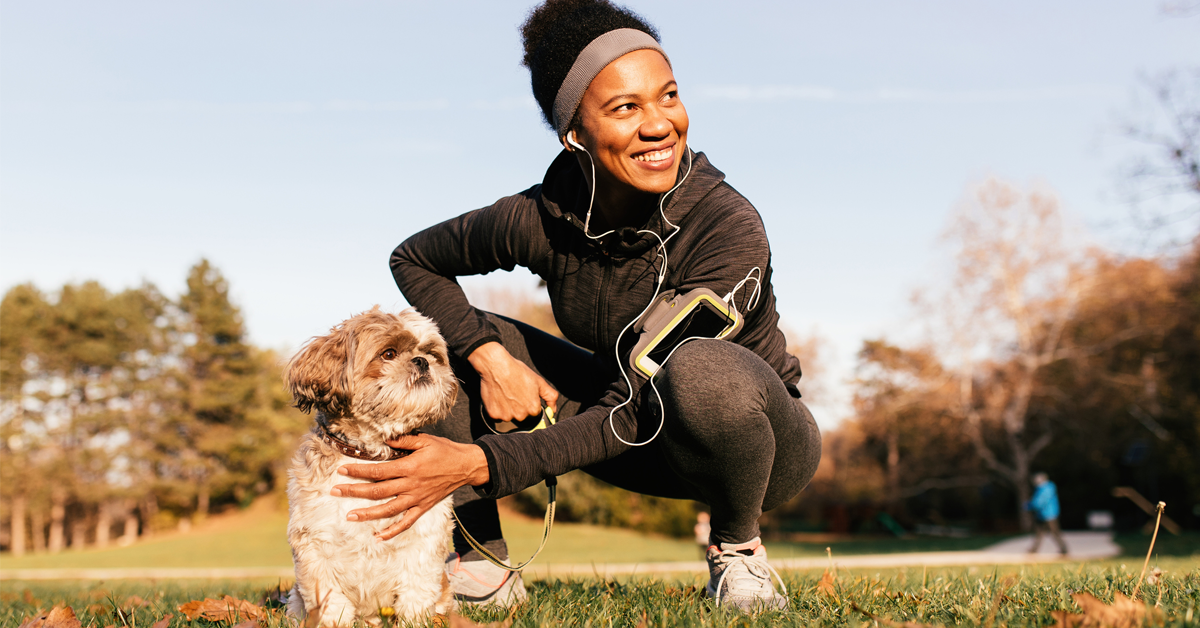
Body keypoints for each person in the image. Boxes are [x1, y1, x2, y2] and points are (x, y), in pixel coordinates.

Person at [330, 0, 822, 612]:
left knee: (699, 369)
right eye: (625, 107)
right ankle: (483, 564)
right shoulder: (542, 216)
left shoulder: (729, 227)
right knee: (445, 347)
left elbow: (640, 400)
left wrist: (482, 463)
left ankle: (737, 553)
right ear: (574, 135)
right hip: (628, 434)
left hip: (756, 448)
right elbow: (414, 259)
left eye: (668, 96)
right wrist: (489, 357)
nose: (660, 124)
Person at [1026, 472, 1068, 555]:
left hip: (1049, 514)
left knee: (1054, 532)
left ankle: (1064, 549)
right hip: (1042, 514)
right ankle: (1034, 549)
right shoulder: (1041, 488)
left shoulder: (1047, 488)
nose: (1035, 481)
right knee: (1039, 532)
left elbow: (1041, 501)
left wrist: (1031, 505)